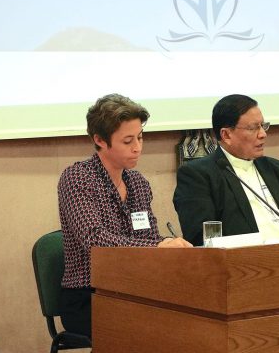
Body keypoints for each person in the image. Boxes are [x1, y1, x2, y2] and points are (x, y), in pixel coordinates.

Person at [57, 94, 191, 338]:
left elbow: (149, 238)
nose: (137, 147)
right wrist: (158, 246)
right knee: (154, 329)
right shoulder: (77, 178)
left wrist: (168, 244)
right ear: (100, 140)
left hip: (136, 289)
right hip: (89, 296)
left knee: (193, 317)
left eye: (140, 137)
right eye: (128, 141)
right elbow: (94, 240)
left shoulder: (137, 182)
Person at [173, 94, 279, 246]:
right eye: (253, 128)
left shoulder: (276, 169)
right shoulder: (198, 175)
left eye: (263, 126)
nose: (263, 134)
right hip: (244, 258)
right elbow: (202, 239)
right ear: (226, 134)